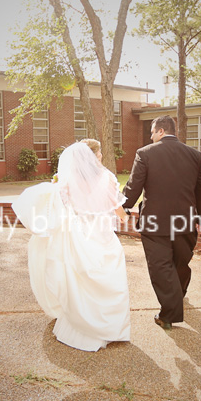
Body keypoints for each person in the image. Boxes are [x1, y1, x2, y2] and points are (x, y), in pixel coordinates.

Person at [12, 141, 130, 351]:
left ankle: (81, 325)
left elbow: (64, 208)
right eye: (100, 151)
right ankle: (111, 328)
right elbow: (119, 213)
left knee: (82, 282)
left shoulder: (67, 182)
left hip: (80, 236)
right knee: (109, 279)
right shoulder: (108, 178)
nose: (102, 155)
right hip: (103, 236)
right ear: (93, 156)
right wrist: (123, 217)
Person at [123, 115, 201, 330]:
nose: (150, 136)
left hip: (155, 221)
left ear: (161, 131)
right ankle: (178, 296)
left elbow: (134, 185)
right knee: (181, 262)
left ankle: (169, 313)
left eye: (152, 132)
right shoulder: (195, 155)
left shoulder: (145, 153)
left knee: (160, 266)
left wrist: (123, 205)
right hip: (185, 221)